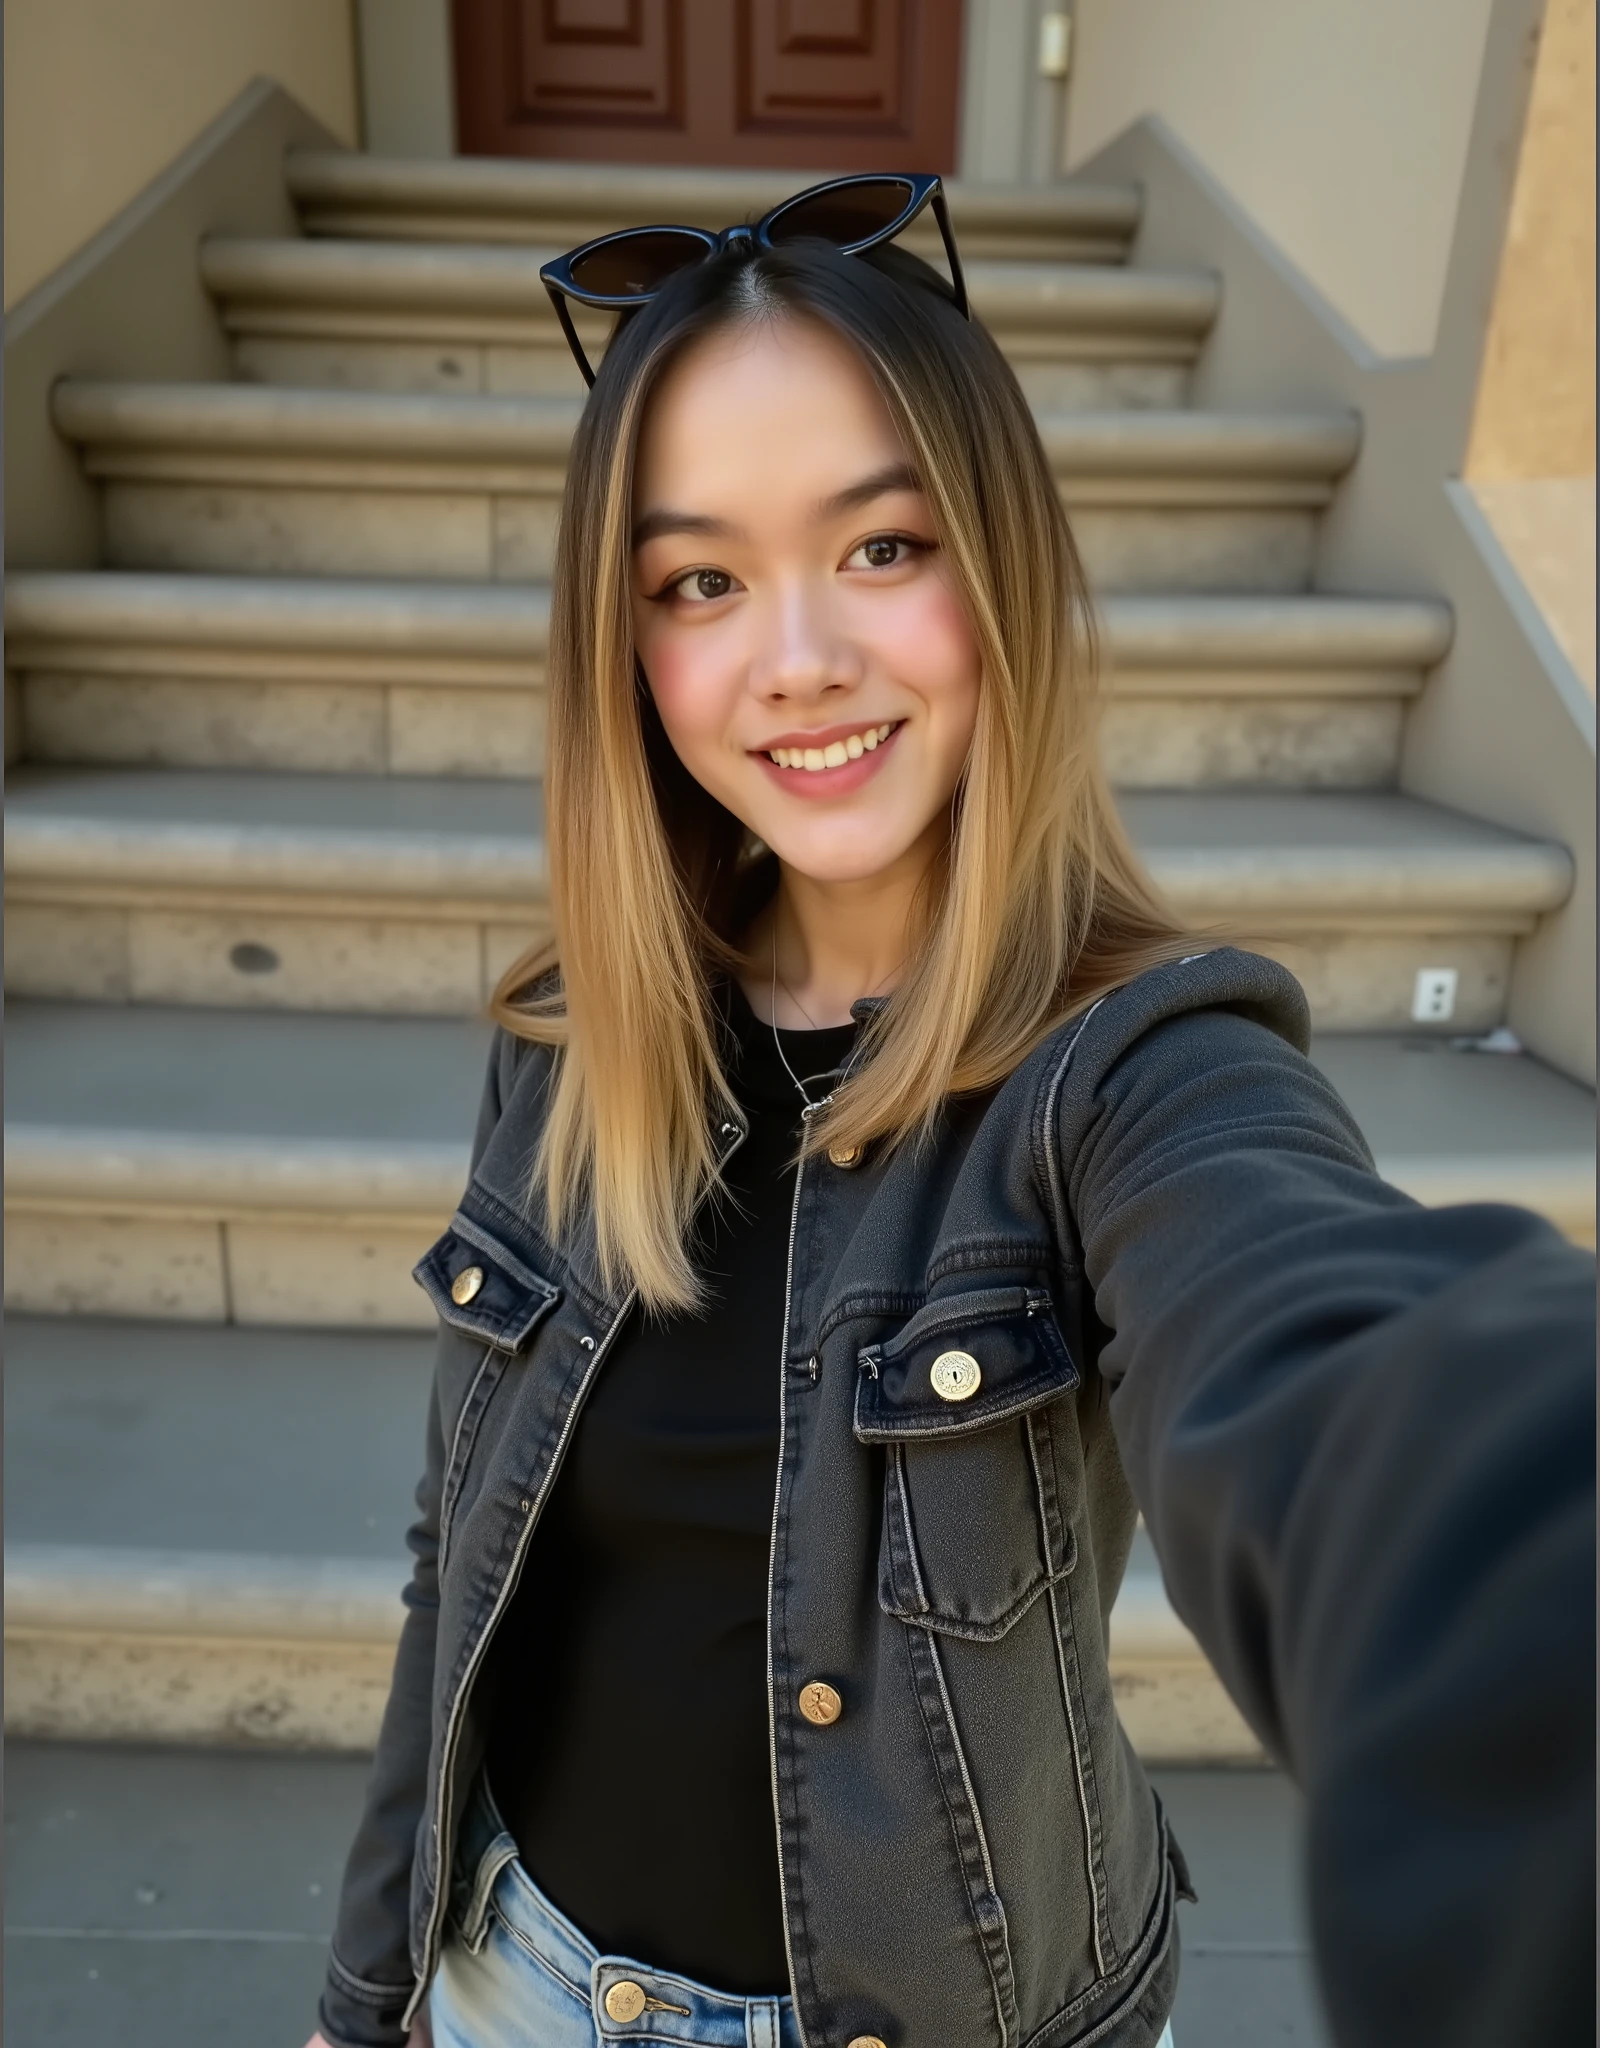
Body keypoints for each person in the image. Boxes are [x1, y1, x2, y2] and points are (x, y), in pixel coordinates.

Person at [305, 177, 1594, 2048]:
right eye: (699, 581)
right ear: (628, 643)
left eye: (884, 546)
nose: (798, 656)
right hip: (510, 1982)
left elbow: (1334, 1347)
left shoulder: (1144, 1066)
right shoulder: (575, 1041)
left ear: (1000, 562)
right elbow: (462, 1561)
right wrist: (368, 1997)